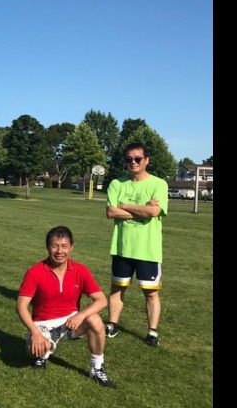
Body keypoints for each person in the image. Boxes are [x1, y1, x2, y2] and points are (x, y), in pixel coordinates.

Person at [17, 226, 115, 389]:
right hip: (43, 324)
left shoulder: (80, 270)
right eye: (55, 246)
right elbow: (21, 306)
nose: (59, 251)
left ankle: (97, 368)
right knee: (34, 350)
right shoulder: (35, 272)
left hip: (70, 322)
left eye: (64, 246)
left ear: (71, 248)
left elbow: (101, 300)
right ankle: (42, 354)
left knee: (96, 320)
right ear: (48, 247)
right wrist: (35, 332)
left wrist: (80, 316)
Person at [105, 142, 169, 347]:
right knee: (117, 288)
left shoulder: (158, 184)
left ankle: (152, 332)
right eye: (129, 159)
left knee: (150, 292)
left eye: (137, 159)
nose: (133, 162)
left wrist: (124, 205)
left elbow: (154, 213)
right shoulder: (117, 184)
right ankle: (112, 324)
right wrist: (142, 209)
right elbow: (110, 212)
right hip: (122, 247)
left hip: (148, 250)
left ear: (146, 160)